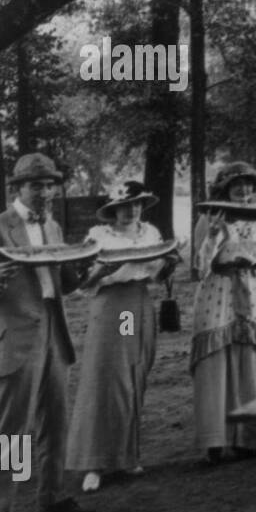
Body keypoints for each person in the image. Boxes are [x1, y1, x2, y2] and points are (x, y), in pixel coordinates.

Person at [0, 153, 98, 512]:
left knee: (55, 422)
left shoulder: (53, 226)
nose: (45, 192)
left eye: (49, 184)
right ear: (19, 188)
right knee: (8, 431)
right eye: (36, 185)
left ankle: (53, 499)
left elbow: (64, 282)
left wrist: (90, 267)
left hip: (53, 332)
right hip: (14, 338)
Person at [67, 181, 179, 494]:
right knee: (107, 378)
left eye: (137, 204)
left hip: (139, 304)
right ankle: (94, 463)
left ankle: (126, 456)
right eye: (125, 206)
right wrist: (103, 271)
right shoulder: (99, 236)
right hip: (114, 308)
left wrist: (170, 263)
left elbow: (156, 274)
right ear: (113, 210)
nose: (132, 210)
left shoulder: (151, 233)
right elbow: (82, 283)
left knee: (133, 375)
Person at [192, 162, 256, 465]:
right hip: (217, 289)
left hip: (249, 289)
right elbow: (199, 266)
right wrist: (214, 235)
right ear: (224, 188)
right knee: (215, 360)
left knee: (248, 359)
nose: (244, 190)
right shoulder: (210, 217)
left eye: (248, 184)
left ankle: (246, 438)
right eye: (237, 185)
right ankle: (215, 441)